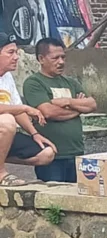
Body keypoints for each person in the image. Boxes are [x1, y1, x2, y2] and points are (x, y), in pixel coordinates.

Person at [23, 37, 94, 184]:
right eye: (55, 58)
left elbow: (92, 104)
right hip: (51, 155)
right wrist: (78, 108)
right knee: (53, 199)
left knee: (76, 197)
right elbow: (48, 112)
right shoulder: (34, 83)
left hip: (76, 152)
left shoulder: (71, 82)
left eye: (63, 57)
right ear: (41, 59)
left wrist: (68, 102)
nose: (61, 62)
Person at [0, 33, 55, 186]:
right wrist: (24, 107)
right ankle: (1, 174)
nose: (16, 57)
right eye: (10, 52)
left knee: (46, 153)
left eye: (16, 52)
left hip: (3, 133)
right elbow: (17, 109)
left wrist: (35, 133)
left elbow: (17, 109)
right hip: (4, 126)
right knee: (7, 120)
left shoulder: (7, 77)